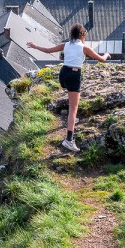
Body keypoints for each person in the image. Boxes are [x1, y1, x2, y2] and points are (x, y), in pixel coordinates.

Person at [27, 24, 107, 152]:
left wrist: (35, 46)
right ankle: (69, 140)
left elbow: (48, 50)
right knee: (73, 108)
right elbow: (101, 60)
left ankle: (72, 119)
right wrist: (107, 54)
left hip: (63, 75)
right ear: (82, 35)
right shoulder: (84, 47)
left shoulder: (66, 45)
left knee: (71, 101)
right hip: (73, 75)